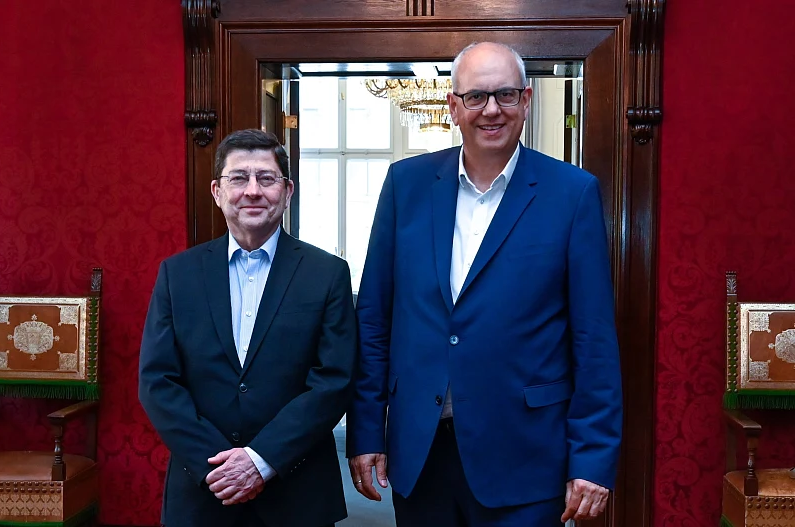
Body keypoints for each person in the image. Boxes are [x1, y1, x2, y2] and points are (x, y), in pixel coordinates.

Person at [346, 42, 623, 526]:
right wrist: (367, 431)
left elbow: (593, 338)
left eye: (506, 95)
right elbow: (374, 318)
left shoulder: (572, 193)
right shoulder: (405, 185)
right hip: (421, 452)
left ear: (527, 100)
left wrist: (593, 458)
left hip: (526, 455)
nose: (491, 109)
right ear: (453, 105)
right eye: (476, 97)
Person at [139, 129, 356, 527]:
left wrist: (261, 461)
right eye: (239, 178)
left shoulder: (327, 274)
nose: (252, 190)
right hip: (204, 490)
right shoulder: (177, 275)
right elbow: (157, 381)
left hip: (297, 492)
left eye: (266, 178)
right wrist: (220, 468)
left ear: (287, 191)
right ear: (217, 191)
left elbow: (334, 381)